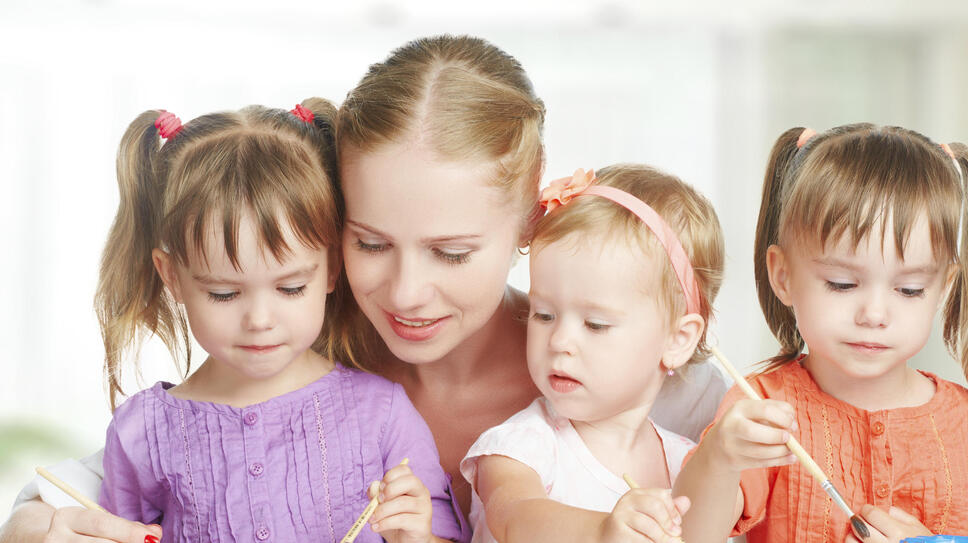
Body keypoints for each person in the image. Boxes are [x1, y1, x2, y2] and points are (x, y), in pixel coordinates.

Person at [1, 35, 727, 542]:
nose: (407, 292)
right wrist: (33, 523)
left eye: (452, 251)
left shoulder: (653, 381)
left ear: (533, 218)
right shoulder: (293, 350)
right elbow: (92, 482)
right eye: (371, 242)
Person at [95, 101, 465, 543]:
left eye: (290, 288)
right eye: (224, 293)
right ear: (171, 276)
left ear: (331, 268)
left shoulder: (382, 414)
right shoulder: (142, 433)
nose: (260, 320)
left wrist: (417, 536)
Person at [675, 125, 968, 543]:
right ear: (782, 275)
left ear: (942, 289)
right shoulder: (761, 410)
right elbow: (690, 537)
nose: (875, 314)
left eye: (909, 289)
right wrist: (719, 460)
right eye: (842, 284)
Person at [459, 165, 725, 543]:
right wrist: (602, 530)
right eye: (544, 314)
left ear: (678, 340)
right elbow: (513, 517)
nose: (560, 341)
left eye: (595, 324)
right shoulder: (521, 446)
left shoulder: (686, 464)